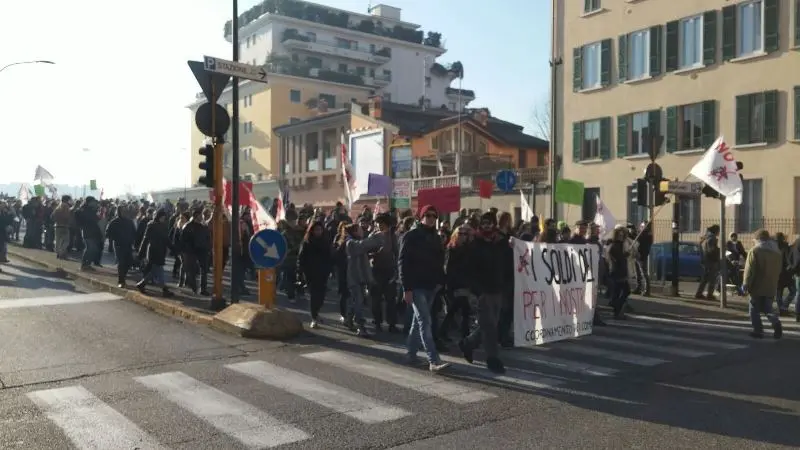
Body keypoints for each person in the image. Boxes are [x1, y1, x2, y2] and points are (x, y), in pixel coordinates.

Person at [398, 205, 450, 372]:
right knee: (425, 321)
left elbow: (439, 261)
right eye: (427, 215)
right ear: (421, 217)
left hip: (432, 285)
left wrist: (441, 282)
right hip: (416, 286)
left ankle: (411, 355)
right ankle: (433, 360)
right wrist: (406, 288)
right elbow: (403, 263)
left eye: (434, 216)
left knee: (417, 321)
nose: (431, 218)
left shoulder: (435, 237)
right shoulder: (411, 236)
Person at [742, 229, 783, 339]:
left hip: (757, 285)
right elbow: (779, 270)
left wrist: (746, 283)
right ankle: (776, 324)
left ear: (757, 239)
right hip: (771, 285)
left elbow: (750, 270)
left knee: (753, 309)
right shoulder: (777, 252)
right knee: (768, 308)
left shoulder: (755, 251)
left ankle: (758, 330)